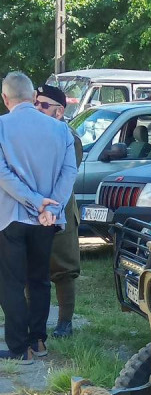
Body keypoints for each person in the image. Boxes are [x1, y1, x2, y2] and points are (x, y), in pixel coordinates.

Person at [0, 72, 77, 363]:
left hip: (10, 217)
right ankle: (39, 341)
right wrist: (51, 208)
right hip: (47, 219)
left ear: (5, 99)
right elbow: (68, 173)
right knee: (40, 280)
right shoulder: (61, 131)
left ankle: (20, 348)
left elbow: (3, 175)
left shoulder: (1, 126)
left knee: (11, 282)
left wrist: (33, 201)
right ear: (33, 98)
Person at [34, 84, 83, 340]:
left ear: (60, 111)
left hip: (60, 209)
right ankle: (35, 322)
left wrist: (48, 206)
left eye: (44, 105)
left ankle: (65, 322)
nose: (37, 109)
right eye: (35, 104)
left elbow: (65, 178)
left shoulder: (70, 137)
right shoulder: (30, 133)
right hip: (33, 209)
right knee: (32, 267)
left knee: (63, 269)